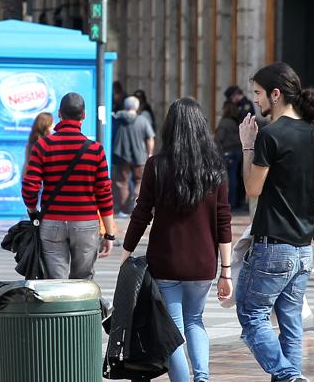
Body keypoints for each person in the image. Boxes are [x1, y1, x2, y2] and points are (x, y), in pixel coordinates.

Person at [121, 97, 232, 382]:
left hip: (166, 262)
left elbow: (141, 214)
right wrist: (226, 272)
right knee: (196, 320)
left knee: (171, 329)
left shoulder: (157, 167)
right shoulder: (215, 169)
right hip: (204, 262)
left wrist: (126, 252)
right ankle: (203, 377)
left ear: (170, 128)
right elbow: (223, 220)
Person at [235, 61, 314, 382]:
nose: (255, 101)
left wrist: (247, 144)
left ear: (276, 94)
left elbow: (252, 188)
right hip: (302, 247)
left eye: (258, 93)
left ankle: (289, 376)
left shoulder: (270, 135)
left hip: (272, 244)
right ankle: (290, 374)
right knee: (290, 323)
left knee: (251, 314)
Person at [22, 92, 117, 279]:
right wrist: (109, 234)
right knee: (82, 282)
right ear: (84, 115)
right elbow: (104, 194)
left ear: (59, 114)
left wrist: (34, 212)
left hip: (52, 221)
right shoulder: (96, 150)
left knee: (55, 284)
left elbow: (30, 185)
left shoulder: (43, 146)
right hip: (86, 224)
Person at [111, 96, 155, 216]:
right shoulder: (143, 120)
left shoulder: (117, 119)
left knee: (122, 182)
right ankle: (135, 203)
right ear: (137, 107)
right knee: (140, 181)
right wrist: (149, 153)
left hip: (121, 155)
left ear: (125, 106)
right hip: (140, 156)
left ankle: (124, 210)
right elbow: (150, 138)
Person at [216, 100, 245, 211]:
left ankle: (230, 202)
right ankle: (236, 201)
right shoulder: (236, 121)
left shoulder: (224, 122)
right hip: (237, 151)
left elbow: (219, 138)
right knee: (235, 177)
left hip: (228, 152)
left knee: (228, 178)